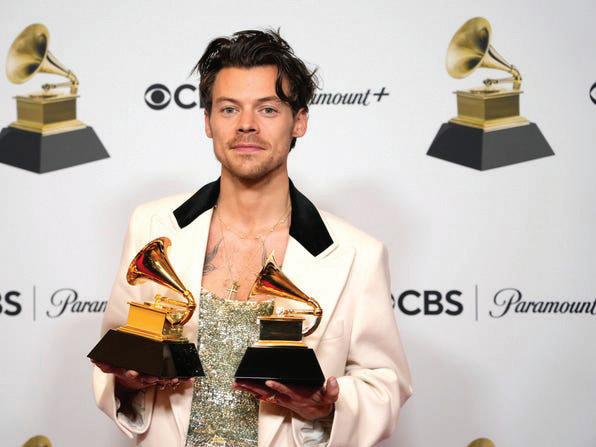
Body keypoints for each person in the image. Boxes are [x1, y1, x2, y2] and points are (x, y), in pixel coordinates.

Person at [92, 29, 412, 447]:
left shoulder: (357, 254)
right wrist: (128, 382)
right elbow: (114, 357)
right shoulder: (151, 226)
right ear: (207, 122)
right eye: (229, 109)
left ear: (300, 121)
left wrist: (326, 407)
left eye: (268, 109)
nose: (246, 124)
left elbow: (385, 385)